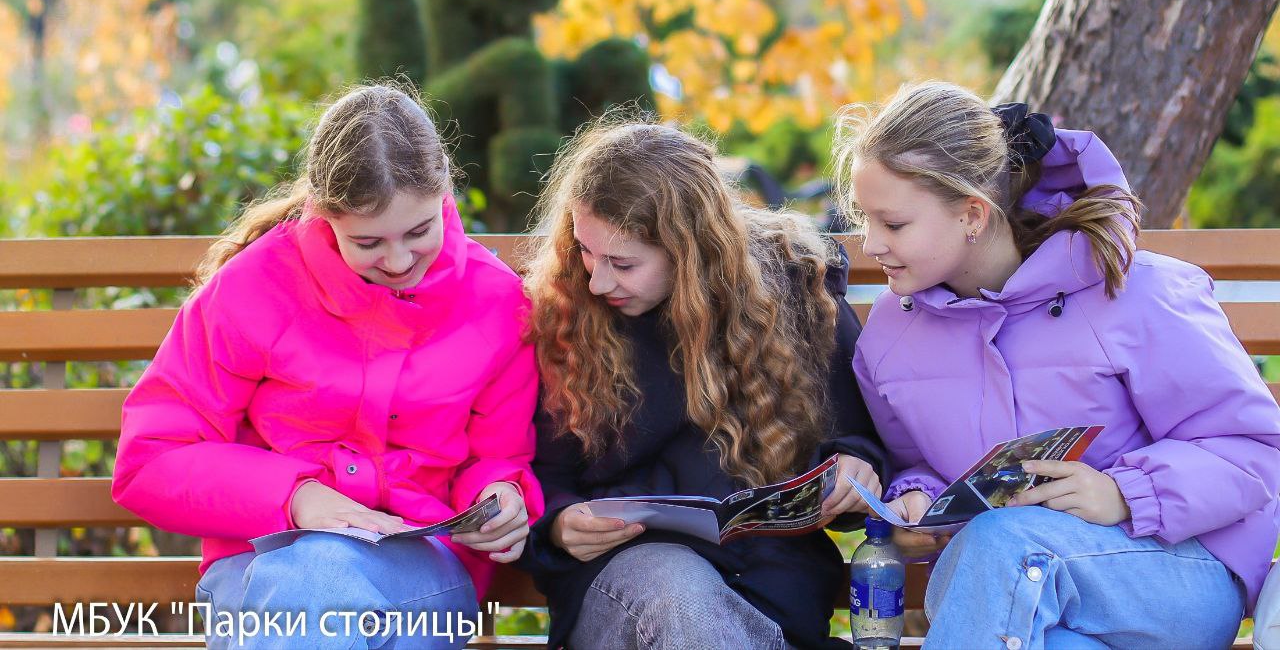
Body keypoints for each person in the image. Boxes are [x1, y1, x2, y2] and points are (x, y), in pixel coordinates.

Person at [832, 81, 1280, 648]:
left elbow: (1250, 450)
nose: (869, 243)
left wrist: (1123, 493)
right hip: (1016, 595)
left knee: (1006, 543)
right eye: (862, 218)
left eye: (892, 224)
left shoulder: (1132, 292)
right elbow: (917, 463)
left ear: (972, 214)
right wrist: (919, 500)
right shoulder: (891, 338)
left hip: (1172, 569)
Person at [112, 84, 543, 649]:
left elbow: (496, 458)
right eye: (367, 242)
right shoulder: (252, 288)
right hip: (261, 566)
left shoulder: (497, 304)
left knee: (317, 592)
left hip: (419, 572)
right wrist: (295, 498)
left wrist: (503, 500)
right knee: (311, 584)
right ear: (325, 214)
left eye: (419, 232)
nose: (397, 261)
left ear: (445, 194)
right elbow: (150, 460)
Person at [517, 118, 887, 650]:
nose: (597, 280)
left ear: (691, 254)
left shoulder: (795, 294)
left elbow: (858, 438)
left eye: (622, 263)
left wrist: (856, 469)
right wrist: (557, 524)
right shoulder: (571, 315)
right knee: (676, 595)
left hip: (768, 588)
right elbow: (537, 474)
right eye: (585, 251)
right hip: (627, 582)